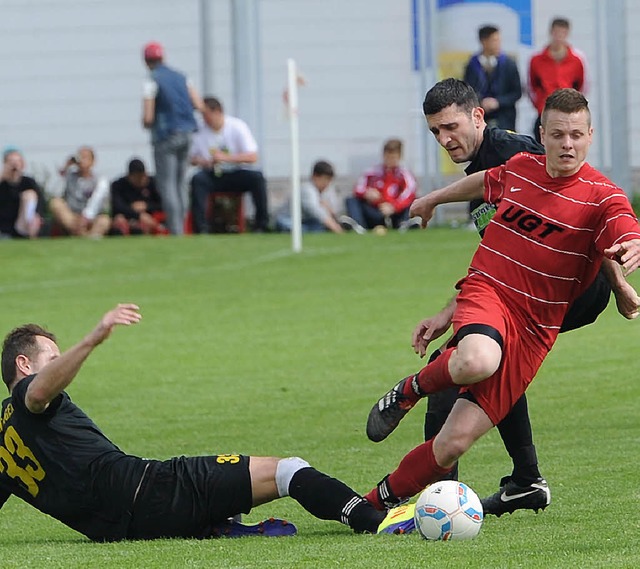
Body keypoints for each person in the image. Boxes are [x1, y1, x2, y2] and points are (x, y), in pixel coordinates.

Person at [363, 89, 640, 515]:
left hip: (557, 306)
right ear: (543, 134)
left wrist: (623, 271)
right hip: (496, 292)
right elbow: (501, 229)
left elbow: (616, 224)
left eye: (450, 127)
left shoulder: (559, 169)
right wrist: (435, 198)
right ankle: (402, 501)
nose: (444, 138)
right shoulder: (519, 167)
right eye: (435, 130)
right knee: (472, 364)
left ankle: (422, 403)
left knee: (474, 371)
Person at [0, 304, 417, 541]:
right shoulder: (28, 396)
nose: (58, 367)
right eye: (52, 358)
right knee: (289, 470)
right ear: (24, 363)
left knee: (214, 503)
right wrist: (91, 339)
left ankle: (223, 527)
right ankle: (374, 520)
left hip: (123, 531)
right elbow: (36, 393)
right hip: (150, 489)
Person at [142, 41, 204, 236]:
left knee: (167, 184)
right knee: (180, 182)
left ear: (146, 61)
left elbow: (148, 116)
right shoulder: (183, 77)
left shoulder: (151, 81)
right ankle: (183, 225)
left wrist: (147, 123)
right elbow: (198, 104)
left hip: (165, 136)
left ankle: (175, 229)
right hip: (187, 133)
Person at [189, 97, 269, 234]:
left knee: (257, 178)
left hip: (236, 172)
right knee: (197, 180)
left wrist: (228, 158)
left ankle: (261, 224)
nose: (205, 119)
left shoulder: (237, 126)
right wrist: (205, 161)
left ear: (218, 112)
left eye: (207, 114)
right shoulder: (199, 130)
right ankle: (201, 227)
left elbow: (252, 156)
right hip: (212, 173)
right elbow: (191, 158)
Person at [340, 139, 418, 233]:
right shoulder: (372, 172)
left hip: (396, 213)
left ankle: (405, 224)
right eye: (387, 157)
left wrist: (393, 206)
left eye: (393, 157)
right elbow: (358, 188)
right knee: (351, 200)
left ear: (399, 157)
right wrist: (367, 193)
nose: (389, 160)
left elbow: (409, 193)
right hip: (376, 210)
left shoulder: (405, 174)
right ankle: (358, 226)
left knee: (414, 201)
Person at [528, 17, 586, 142]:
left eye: (563, 33)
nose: (559, 36)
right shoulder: (536, 60)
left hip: (569, 112)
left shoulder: (577, 60)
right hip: (545, 111)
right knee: (542, 148)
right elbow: (532, 86)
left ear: (567, 33)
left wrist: (575, 105)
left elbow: (582, 86)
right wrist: (540, 105)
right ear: (551, 32)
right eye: (556, 32)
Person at [463, 25, 522, 130]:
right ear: (484, 41)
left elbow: (517, 92)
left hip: (505, 118)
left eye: (499, 40)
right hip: (480, 117)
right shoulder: (472, 65)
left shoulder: (509, 64)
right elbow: (467, 91)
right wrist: (481, 102)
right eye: (494, 40)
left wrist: (498, 102)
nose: (498, 44)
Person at [49, 146, 111, 238]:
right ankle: (80, 233)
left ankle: (89, 236)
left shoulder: (99, 181)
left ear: (93, 161)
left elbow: (97, 202)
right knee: (56, 203)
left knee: (104, 221)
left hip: (91, 217)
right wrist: (68, 164)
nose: (81, 160)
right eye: (80, 157)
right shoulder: (70, 175)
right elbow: (58, 179)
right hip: (72, 217)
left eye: (85, 158)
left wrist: (86, 217)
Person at [275, 160, 343, 234]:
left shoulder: (327, 191)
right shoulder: (307, 189)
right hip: (288, 219)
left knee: (318, 228)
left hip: (306, 221)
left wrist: (328, 208)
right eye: (325, 179)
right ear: (315, 176)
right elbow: (316, 211)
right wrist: (334, 227)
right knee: (302, 230)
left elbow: (334, 211)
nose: (327, 183)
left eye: (329, 180)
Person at [110, 158, 167, 236]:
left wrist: (147, 206)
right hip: (127, 217)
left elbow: (163, 204)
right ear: (129, 176)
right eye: (137, 177)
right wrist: (138, 215)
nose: (141, 180)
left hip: (151, 218)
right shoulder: (118, 185)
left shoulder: (154, 183)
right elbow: (117, 207)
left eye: (143, 176)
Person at [0, 148, 43, 239]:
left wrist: (37, 215)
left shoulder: (28, 182)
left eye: (17, 162)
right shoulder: (2, 184)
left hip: (22, 224)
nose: (14, 165)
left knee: (30, 195)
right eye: (11, 162)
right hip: (4, 225)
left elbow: (40, 201)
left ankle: (29, 235)